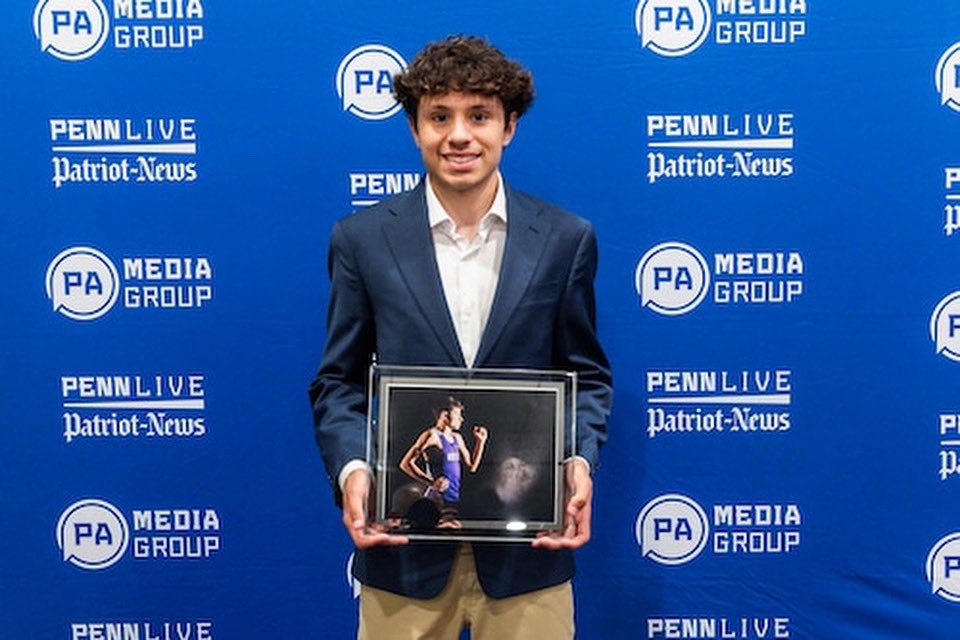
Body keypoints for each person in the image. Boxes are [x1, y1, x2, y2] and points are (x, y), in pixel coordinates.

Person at [308, 34, 612, 640]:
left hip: (530, 553)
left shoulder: (565, 239)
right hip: (404, 550)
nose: (459, 136)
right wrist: (352, 471)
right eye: (438, 117)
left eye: (480, 116)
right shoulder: (362, 240)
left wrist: (578, 461)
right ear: (414, 128)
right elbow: (338, 382)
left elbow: (587, 377)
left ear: (509, 127)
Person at [398, 397, 489, 526]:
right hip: (436, 502)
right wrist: (432, 482)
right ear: (445, 415)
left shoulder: (457, 438)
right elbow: (405, 464)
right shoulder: (431, 436)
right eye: (458, 415)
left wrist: (480, 442)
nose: (461, 419)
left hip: (453, 500)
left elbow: (472, 467)